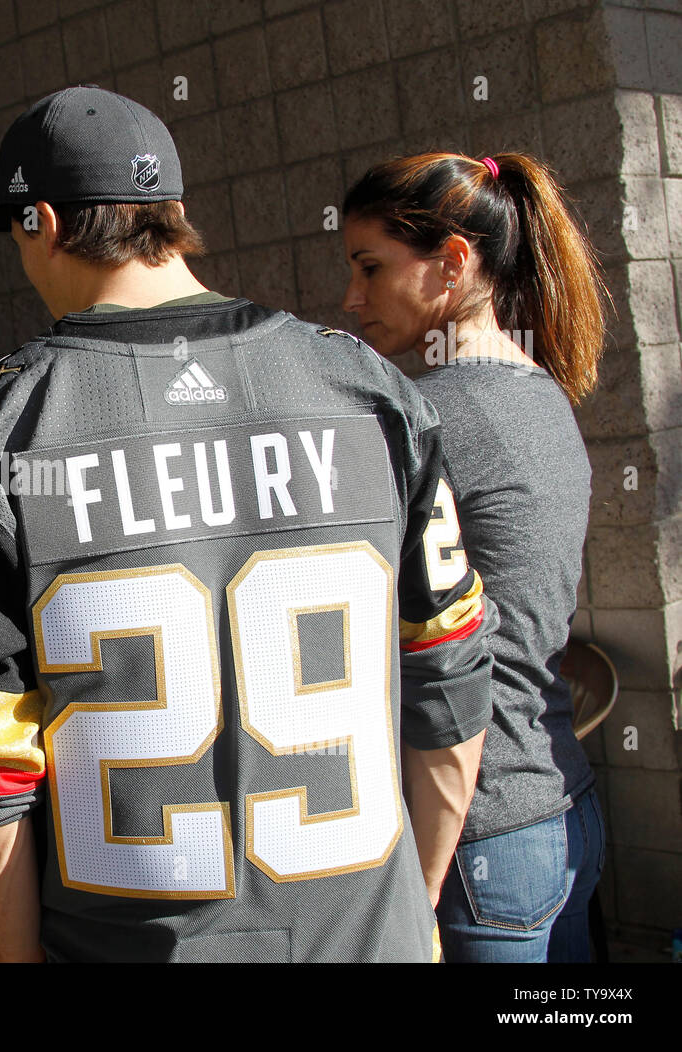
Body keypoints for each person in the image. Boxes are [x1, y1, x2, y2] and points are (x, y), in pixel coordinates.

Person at [0, 86, 497, 963]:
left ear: (44, 224)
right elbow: (449, 680)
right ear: (173, 216)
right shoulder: (366, 387)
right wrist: (408, 913)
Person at [341, 151, 608, 962]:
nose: (352, 300)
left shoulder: (425, 419)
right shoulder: (544, 391)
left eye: (371, 267)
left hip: (473, 838)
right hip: (564, 810)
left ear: (453, 263)